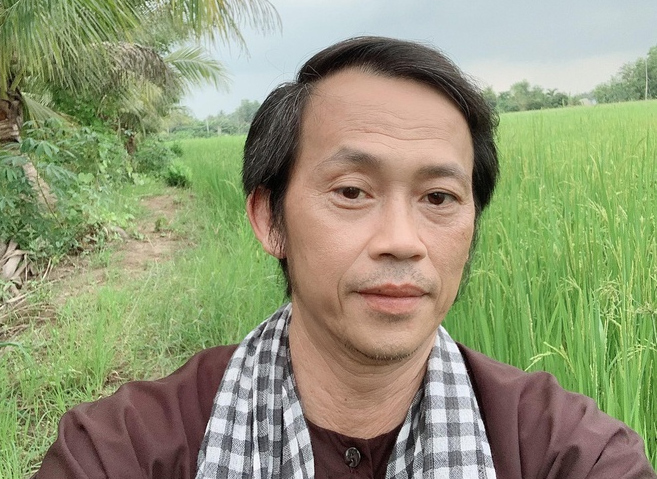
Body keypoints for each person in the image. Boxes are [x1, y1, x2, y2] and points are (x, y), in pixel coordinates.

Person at [35, 37, 655, 479]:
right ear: (269, 219)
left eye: (439, 197)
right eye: (352, 192)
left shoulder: (564, 451)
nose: (402, 240)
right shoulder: (127, 450)